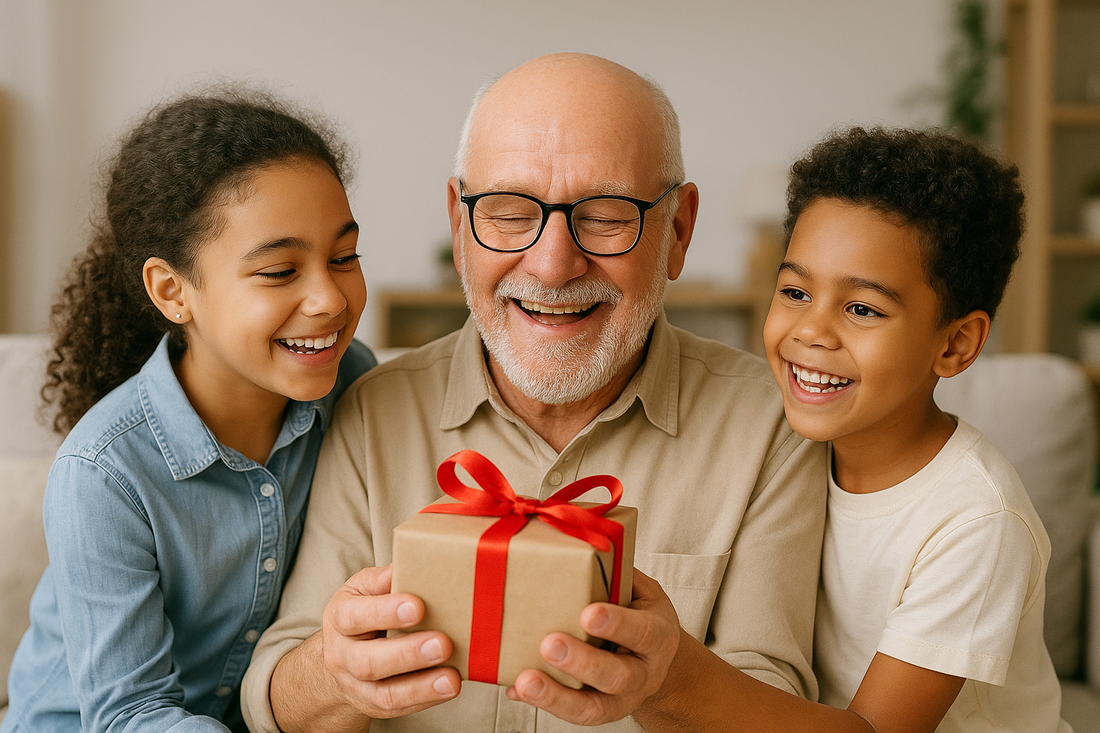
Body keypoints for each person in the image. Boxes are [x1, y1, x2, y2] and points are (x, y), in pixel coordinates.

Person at [240, 52, 827, 733]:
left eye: (607, 214)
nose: (552, 265)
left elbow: (776, 698)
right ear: (460, 227)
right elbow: (272, 698)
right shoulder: (373, 409)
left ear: (678, 230)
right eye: (511, 213)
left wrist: (669, 678)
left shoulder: (769, 422)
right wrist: (335, 673)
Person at [1, 91, 376, 732]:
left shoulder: (353, 383)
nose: (329, 299)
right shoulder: (103, 473)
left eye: (343, 257)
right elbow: (130, 715)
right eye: (280, 270)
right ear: (173, 291)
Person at [676, 126, 1070, 732]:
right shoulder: (786, 450)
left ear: (956, 343)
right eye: (795, 291)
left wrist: (672, 679)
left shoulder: (977, 523)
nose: (812, 330)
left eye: (862, 308)